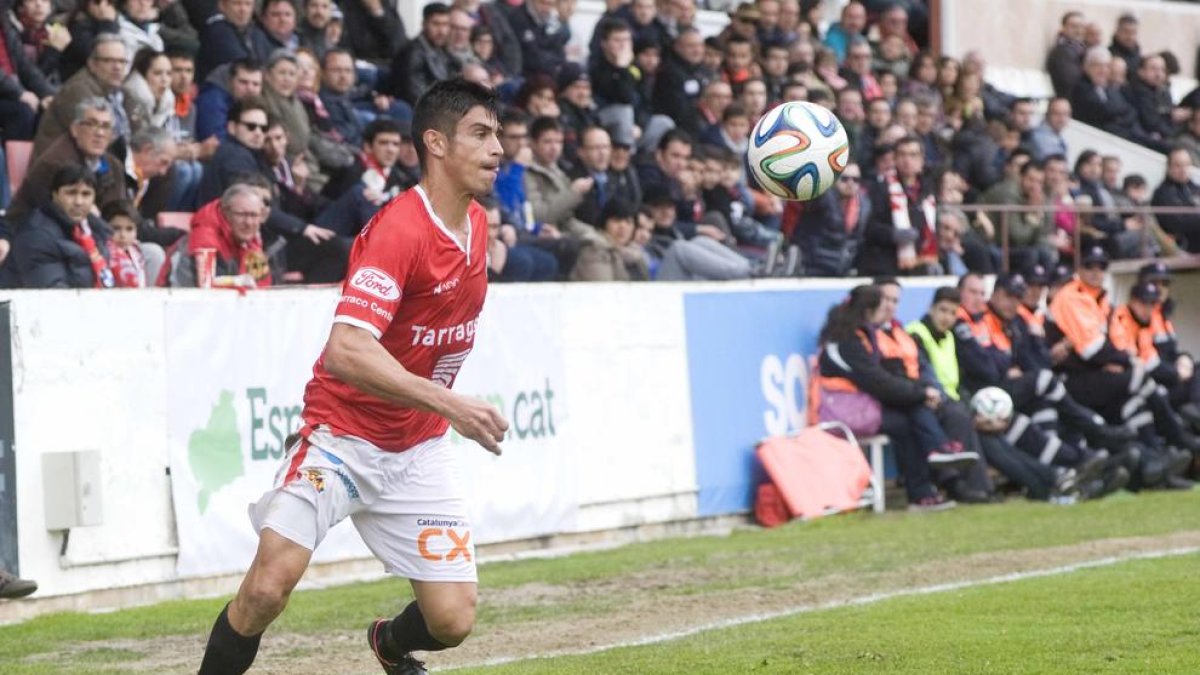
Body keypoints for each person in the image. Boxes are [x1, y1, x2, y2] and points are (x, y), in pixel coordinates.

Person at [197, 79, 509, 675]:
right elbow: (346, 349)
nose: (497, 148)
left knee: (453, 621)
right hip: (340, 440)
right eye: (480, 133)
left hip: (416, 448)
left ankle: (388, 645)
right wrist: (450, 404)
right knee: (266, 590)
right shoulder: (399, 231)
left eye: (496, 134)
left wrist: (436, 411)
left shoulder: (477, 224)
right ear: (436, 143)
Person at [815, 283, 957, 512]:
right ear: (868, 311)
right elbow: (875, 381)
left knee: (910, 410)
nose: (888, 312)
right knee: (908, 415)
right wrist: (920, 394)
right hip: (844, 412)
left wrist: (917, 393)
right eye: (882, 307)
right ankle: (932, 466)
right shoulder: (847, 342)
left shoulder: (857, 335)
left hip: (862, 405)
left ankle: (935, 460)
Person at [3, 165, 114, 289]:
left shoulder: (99, 231)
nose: (79, 201)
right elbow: (54, 298)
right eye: (71, 193)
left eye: (86, 194)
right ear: (55, 195)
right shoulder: (37, 235)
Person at [173, 183, 276, 288]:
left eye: (254, 215)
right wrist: (235, 281)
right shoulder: (204, 238)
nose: (248, 222)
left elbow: (262, 286)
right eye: (241, 214)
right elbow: (205, 285)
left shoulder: (252, 241)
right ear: (225, 212)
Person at [785, 162, 869, 277]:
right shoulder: (823, 196)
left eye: (855, 179)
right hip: (812, 267)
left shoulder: (864, 203)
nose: (850, 183)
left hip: (842, 269)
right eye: (844, 178)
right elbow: (808, 193)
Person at [570, 197, 650, 281]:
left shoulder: (636, 254)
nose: (622, 227)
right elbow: (603, 289)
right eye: (616, 220)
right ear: (604, 223)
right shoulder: (594, 249)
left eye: (628, 222)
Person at [1151, 147, 1200, 253]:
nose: (1183, 169)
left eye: (1187, 164)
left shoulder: (1195, 188)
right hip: (1185, 245)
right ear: (1169, 167)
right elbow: (1176, 223)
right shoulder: (1162, 193)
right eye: (1178, 165)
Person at [102, 200, 149, 287]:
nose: (123, 235)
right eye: (116, 228)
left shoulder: (137, 253)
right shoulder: (100, 255)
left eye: (129, 229)